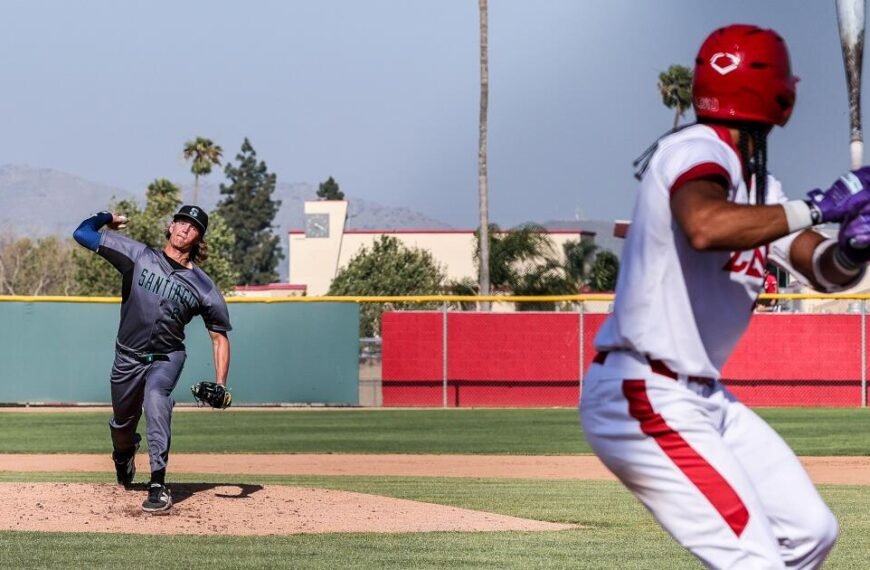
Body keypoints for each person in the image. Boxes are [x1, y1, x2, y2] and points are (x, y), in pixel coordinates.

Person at [580, 24, 870, 568]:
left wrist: (853, 250)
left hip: (703, 397)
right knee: (752, 559)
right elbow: (704, 225)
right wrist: (817, 206)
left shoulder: (760, 189)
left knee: (811, 532)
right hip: (644, 391)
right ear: (778, 95)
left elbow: (822, 268)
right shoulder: (696, 148)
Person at [73, 205, 232, 513]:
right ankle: (124, 453)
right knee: (122, 426)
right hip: (127, 357)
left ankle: (158, 484)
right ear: (171, 227)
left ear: (199, 239)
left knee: (157, 398)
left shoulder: (204, 287)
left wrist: (221, 383)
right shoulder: (138, 256)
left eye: (194, 226)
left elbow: (219, 336)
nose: (185, 228)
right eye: (181, 221)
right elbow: (82, 233)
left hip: (166, 356)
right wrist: (108, 218)